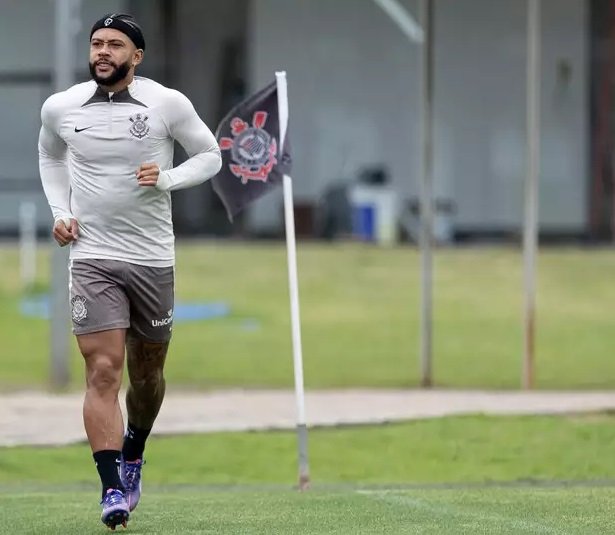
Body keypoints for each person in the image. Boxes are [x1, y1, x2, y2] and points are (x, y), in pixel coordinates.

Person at [38, 13, 222, 530]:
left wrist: (167, 178)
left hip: (152, 258)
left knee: (147, 376)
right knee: (103, 370)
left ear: (136, 56)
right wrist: (61, 212)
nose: (103, 52)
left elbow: (210, 155)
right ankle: (111, 488)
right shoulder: (61, 107)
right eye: (97, 43)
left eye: (115, 45)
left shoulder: (167, 103)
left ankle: (134, 448)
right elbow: (50, 157)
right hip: (92, 256)